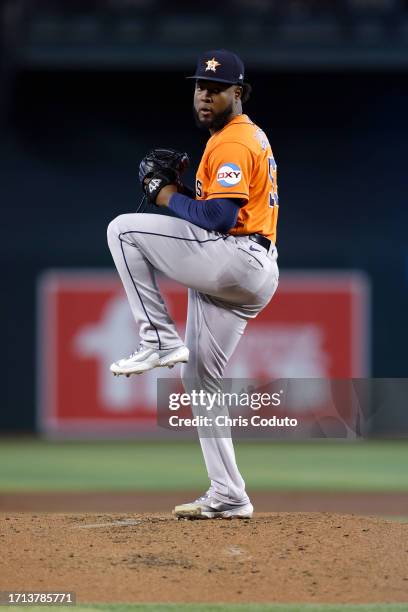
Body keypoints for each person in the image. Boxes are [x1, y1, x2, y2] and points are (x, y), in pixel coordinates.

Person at [107, 49, 280, 519]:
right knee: (200, 378)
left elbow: (219, 219)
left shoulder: (233, 142)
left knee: (123, 230)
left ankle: (158, 338)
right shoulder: (236, 139)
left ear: (237, 93)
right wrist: (180, 194)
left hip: (236, 259)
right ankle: (229, 495)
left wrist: (163, 194)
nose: (205, 95)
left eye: (217, 88)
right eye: (200, 86)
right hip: (250, 271)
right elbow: (213, 215)